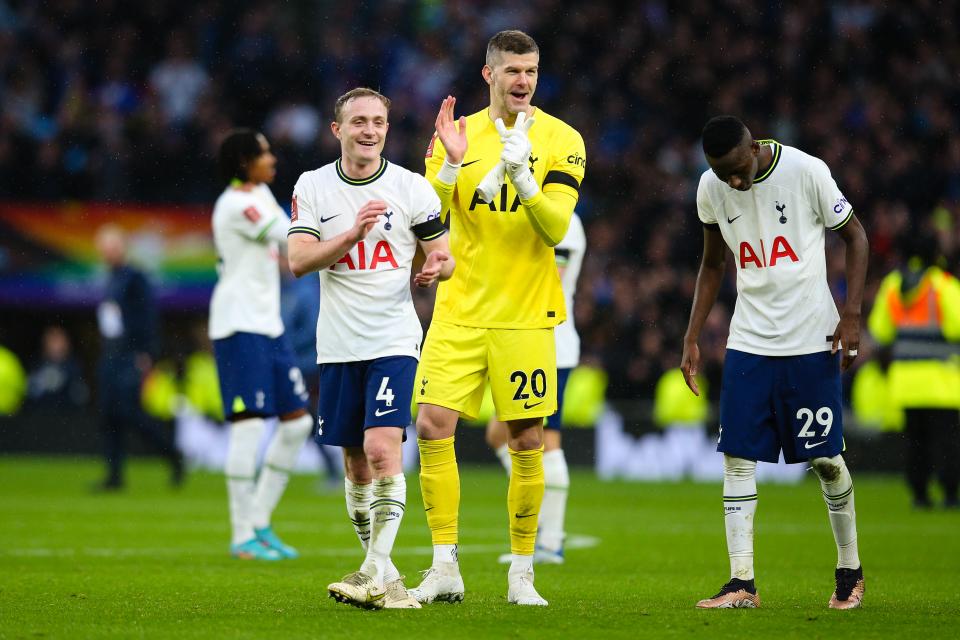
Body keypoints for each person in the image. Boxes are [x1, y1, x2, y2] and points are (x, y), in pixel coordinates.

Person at [411, 30, 586, 607]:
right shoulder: (456, 135)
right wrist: (450, 167)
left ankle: (522, 575)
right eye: (512, 70)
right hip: (459, 310)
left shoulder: (562, 140)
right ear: (488, 75)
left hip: (525, 316)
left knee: (527, 438)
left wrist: (525, 179)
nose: (523, 81)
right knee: (433, 423)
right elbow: (429, 219)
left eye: (531, 71)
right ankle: (445, 566)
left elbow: (556, 228)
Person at [681, 116, 870, 610]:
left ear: (755, 146)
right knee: (737, 457)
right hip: (749, 340)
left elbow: (856, 237)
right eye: (723, 174)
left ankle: (849, 570)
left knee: (826, 461)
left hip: (811, 339)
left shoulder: (806, 171)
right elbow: (712, 264)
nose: (733, 182)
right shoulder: (710, 187)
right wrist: (693, 335)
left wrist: (851, 315)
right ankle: (741, 582)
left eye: (738, 170)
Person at [287, 88, 454, 610]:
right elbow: (298, 260)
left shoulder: (411, 187)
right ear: (337, 130)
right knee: (356, 467)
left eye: (378, 121)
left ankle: (372, 571)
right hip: (337, 345)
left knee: (384, 450)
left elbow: (444, 254)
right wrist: (352, 234)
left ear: (387, 127)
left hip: (392, 339)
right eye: (358, 121)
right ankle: (389, 578)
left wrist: (435, 267)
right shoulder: (312, 186)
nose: (369, 130)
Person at [210, 129, 314, 561]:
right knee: (249, 426)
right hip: (238, 326)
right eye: (264, 153)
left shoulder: (261, 194)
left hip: (267, 326)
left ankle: (260, 520)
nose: (273, 159)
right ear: (243, 162)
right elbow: (290, 239)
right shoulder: (238, 204)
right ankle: (242, 535)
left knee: (297, 424)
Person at [486, 211, 586, 564]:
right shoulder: (525, 213)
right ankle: (541, 516)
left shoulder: (564, 220)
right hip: (520, 340)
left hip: (551, 343)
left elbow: (551, 277)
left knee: (546, 439)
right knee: (499, 433)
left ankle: (549, 542)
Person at [867, 234, 960, 508]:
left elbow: (880, 331)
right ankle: (950, 494)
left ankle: (919, 495)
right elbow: (956, 326)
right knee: (947, 443)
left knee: (915, 444)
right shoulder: (943, 285)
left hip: (905, 381)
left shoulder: (894, 286)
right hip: (941, 383)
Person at [94, 224, 183, 490]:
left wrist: (146, 354)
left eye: (112, 246)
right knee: (109, 415)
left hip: (131, 355)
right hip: (111, 355)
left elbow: (147, 318)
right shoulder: (110, 277)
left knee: (130, 412)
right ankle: (114, 476)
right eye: (104, 248)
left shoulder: (135, 278)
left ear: (122, 248)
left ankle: (171, 454)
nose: (108, 252)